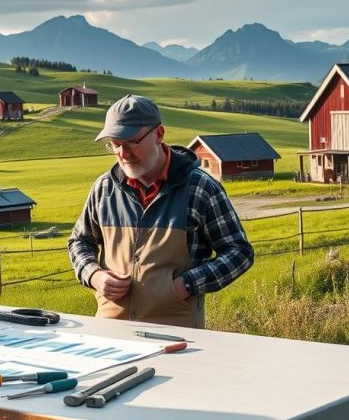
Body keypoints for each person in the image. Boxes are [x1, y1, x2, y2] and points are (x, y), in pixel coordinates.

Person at [68, 94, 253, 328]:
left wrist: (186, 285)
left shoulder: (199, 188)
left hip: (177, 335)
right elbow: (79, 241)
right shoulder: (104, 189)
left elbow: (239, 252)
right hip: (111, 333)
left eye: (132, 142)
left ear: (159, 134)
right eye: (115, 144)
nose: (123, 154)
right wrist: (94, 275)